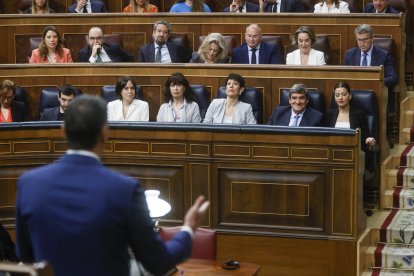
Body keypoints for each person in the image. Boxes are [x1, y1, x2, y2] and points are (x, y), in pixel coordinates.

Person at [15, 94, 210, 276]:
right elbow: (158, 262)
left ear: (63, 131)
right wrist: (188, 229)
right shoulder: (125, 190)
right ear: (105, 132)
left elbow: (25, 256)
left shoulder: (29, 184)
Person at [322, 82, 376, 173]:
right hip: (333, 154)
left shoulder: (359, 114)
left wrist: (369, 139)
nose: (340, 98)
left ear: (350, 96)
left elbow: (365, 135)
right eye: (337, 95)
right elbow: (324, 136)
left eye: (344, 94)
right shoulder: (329, 114)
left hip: (353, 154)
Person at [343, 24, 398, 112]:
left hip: (376, 96)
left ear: (372, 39)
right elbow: (344, 77)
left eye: (365, 39)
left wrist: (375, 82)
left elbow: (393, 78)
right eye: (359, 40)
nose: (362, 43)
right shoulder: (349, 54)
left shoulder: (384, 55)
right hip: (354, 95)